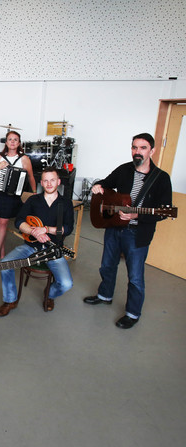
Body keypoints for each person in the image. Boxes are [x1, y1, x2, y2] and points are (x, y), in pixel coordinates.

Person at [83, 133, 172, 329]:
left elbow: (163, 212)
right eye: (134, 147)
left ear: (152, 151)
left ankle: (133, 313)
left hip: (137, 234)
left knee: (136, 277)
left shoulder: (161, 178)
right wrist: (98, 186)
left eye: (142, 148)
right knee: (107, 265)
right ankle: (104, 295)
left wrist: (136, 216)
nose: (137, 152)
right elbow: (105, 183)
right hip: (114, 227)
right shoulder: (124, 169)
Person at [0, 167, 74, 316]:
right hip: (30, 246)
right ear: (41, 183)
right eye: (46, 180)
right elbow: (19, 221)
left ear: (58, 182)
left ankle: (50, 294)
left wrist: (46, 229)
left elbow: (68, 228)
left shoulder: (65, 203)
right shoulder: (33, 200)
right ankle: (10, 300)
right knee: (4, 265)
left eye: (52, 180)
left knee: (66, 284)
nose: (49, 184)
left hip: (53, 249)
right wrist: (33, 232)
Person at [0, 131, 36, 262]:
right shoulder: (0, 156)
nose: (13, 142)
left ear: (19, 143)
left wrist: (35, 193)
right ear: (6, 142)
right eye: (10, 139)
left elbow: (31, 176)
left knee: (2, 223)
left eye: (15, 139)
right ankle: (2, 252)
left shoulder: (24, 159)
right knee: (1, 223)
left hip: (13, 196)